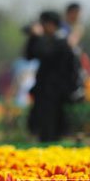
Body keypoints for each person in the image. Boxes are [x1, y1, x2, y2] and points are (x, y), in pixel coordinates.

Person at [25, 10, 76, 142]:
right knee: (42, 128)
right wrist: (33, 38)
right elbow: (30, 55)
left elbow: (46, 53)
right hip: (44, 91)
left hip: (55, 93)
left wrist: (39, 37)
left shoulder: (61, 41)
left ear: (51, 25)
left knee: (51, 130)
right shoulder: (48, 41)